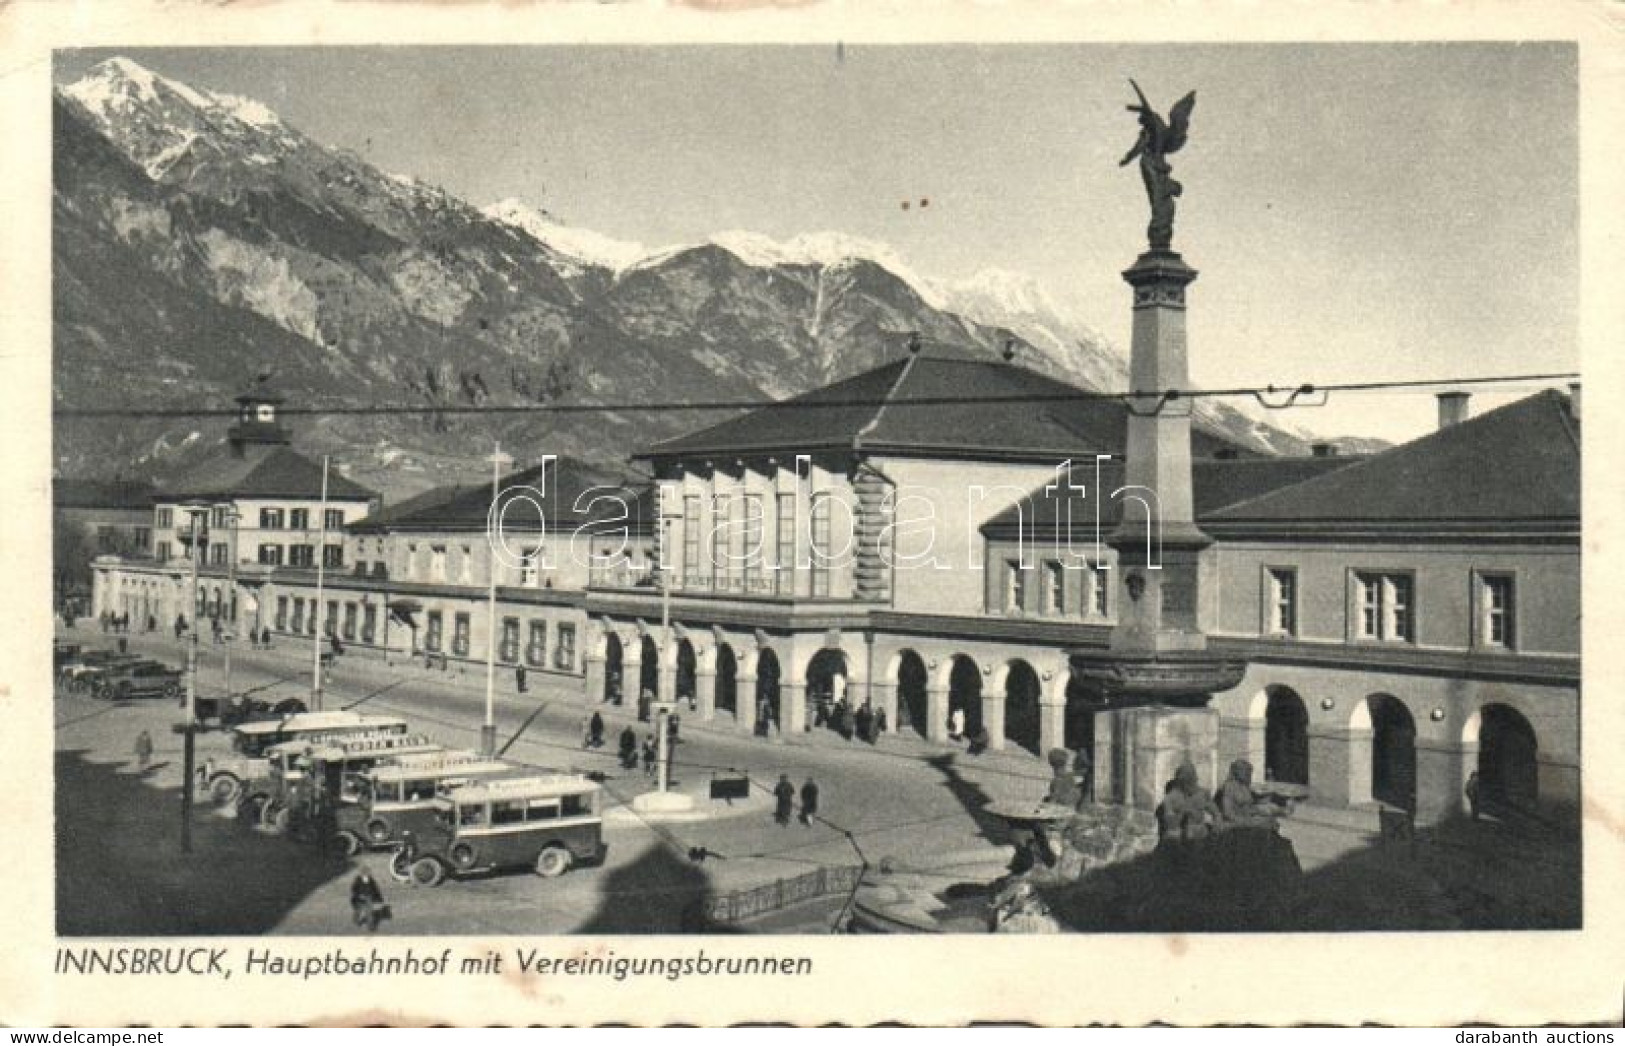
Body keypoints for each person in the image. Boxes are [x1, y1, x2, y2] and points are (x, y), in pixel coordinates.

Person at [1215, 759, 1285, 831]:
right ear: (1237, 772)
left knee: (1271, 821)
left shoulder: (1244, 786)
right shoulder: (1228, 787)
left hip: (1246, 817)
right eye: (1246, 771)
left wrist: (1259, 812)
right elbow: (1228, 813)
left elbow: (1250, 805)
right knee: (1265, 822)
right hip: (1234, 821)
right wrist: (1247, 821)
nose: (1248, 774)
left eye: (1249, 772)